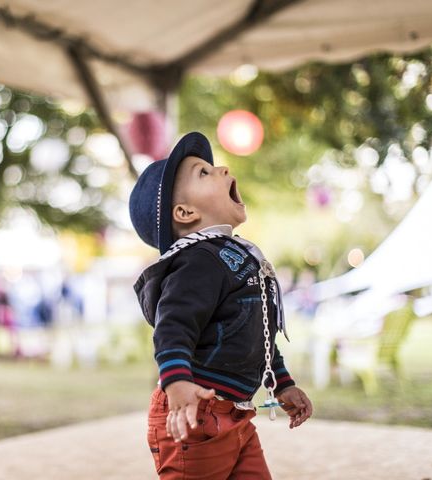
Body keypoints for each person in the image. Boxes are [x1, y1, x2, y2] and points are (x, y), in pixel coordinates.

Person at [129, 132, 312, 479]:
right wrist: (176, 383)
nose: (222, 169)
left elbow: (258, 330)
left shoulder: (235, 257)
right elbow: (173, 326)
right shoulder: (197, 262)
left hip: (237, 416)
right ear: (185, 212)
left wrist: (283, 383)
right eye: (203, 173)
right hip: (195, 415)